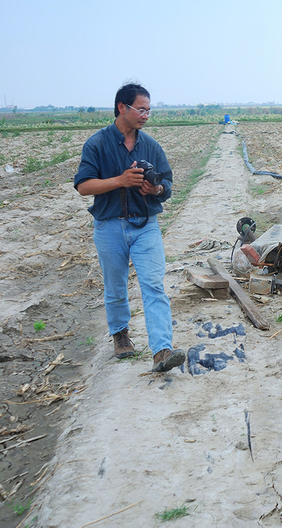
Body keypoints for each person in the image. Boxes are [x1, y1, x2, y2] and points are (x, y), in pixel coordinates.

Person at [74, 83, 185, 373]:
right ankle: (121, 335)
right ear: (122, 107)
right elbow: (84, 186)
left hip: (145, 226)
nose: (146, 115)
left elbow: (168, 185)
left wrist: (156, 188)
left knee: (153, 285)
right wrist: (119, 181)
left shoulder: (151, 145)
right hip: (109, 226)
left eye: (149, 110)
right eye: (141, 109)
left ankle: (162, 350)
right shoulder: (97, 143)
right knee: (115, 287)